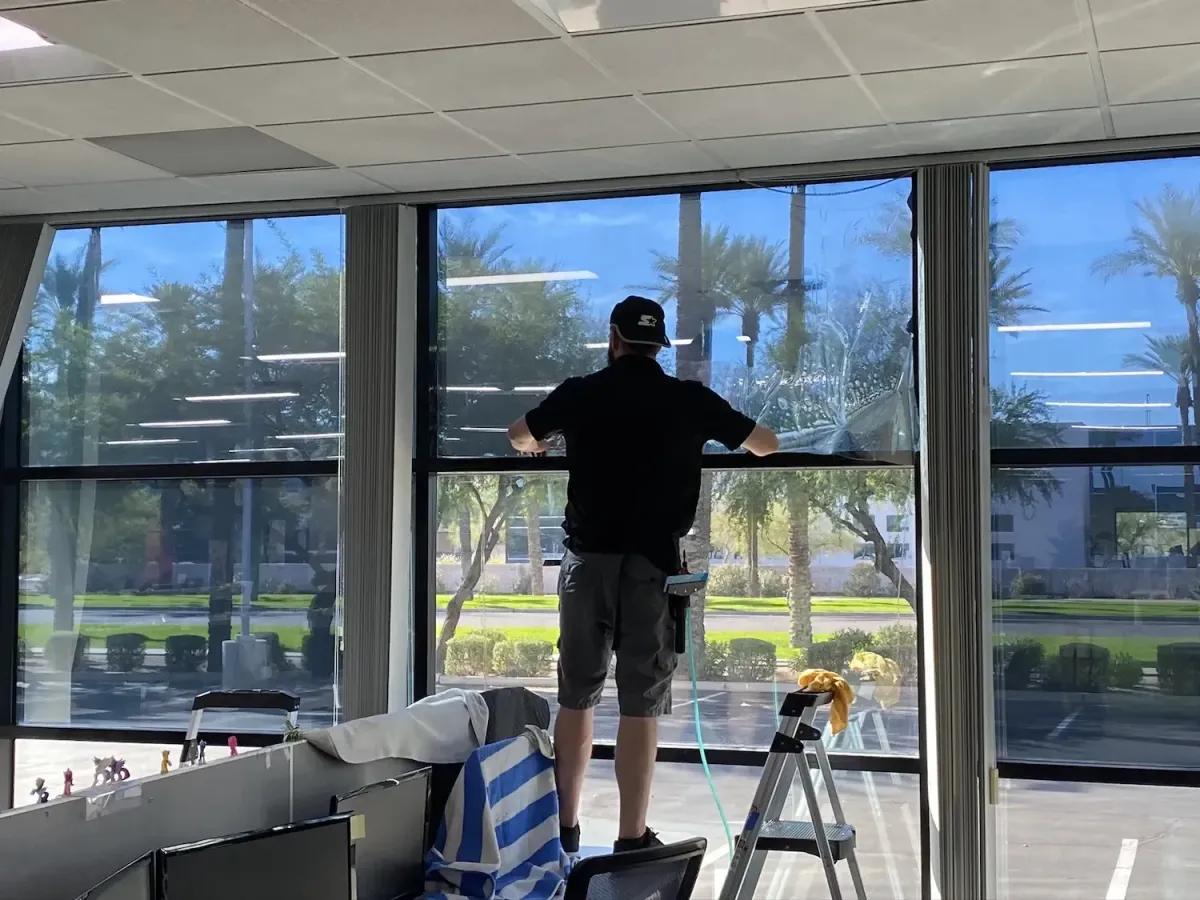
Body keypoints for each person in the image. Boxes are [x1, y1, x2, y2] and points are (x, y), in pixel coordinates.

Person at [508, 295, 779, 853]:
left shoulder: (582, 392)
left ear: (614, 338)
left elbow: (518, 435)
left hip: (587, 562)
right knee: (640, 701)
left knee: (576, 696)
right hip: (654, 566)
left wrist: (544, 439)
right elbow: (765, 445)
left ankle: (565, 829)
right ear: (661, 346)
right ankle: (631, 839)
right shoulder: (688, 400)